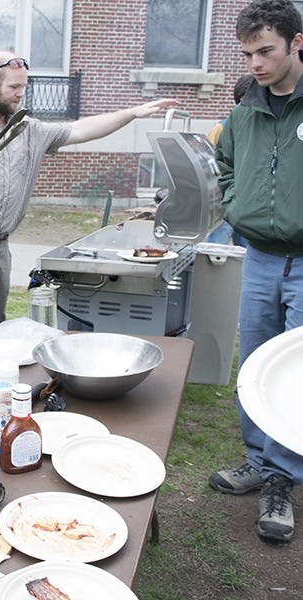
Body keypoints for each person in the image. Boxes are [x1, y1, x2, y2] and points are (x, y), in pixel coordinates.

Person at [0, 50, 176, 354]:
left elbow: (81, 129)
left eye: (23, 87)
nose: (20, 94)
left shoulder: (28, 130)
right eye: (14, 87)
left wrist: (131, 113)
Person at [209, 0, 303, 543]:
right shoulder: (244, 114)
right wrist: (235, 204)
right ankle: (258, 459)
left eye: (265, 51)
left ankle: (281, 480)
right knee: (256, 365)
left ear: (296, 42)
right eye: (248, 54)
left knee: (296, 374)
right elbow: (225, 166)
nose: (256, 64)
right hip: (260, 257)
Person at [205, 74, 254, 247]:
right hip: (223, 202)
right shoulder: (222, 128)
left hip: (251, 205)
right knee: (214, 249)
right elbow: (207, 165)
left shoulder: (267, 130)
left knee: (247, 251)